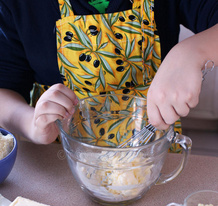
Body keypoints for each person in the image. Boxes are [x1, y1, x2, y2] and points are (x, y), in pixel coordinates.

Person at [0, 0, 217, 150]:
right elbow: (5, 89)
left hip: (152, 160)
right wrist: (32, 124)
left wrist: (194, 51)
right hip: (60, 168)